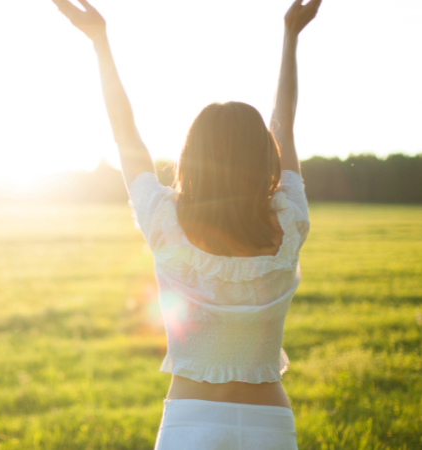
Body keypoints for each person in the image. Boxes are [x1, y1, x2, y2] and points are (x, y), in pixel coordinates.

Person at [52, 0, 321, 448]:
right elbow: (284, 126)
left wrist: (100, 41)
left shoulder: (164, 222)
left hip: (190, 425)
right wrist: (291, 35)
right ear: (264, 159)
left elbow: (125, 134)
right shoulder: (289, 222)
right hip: (269, 425)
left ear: (191, 157)